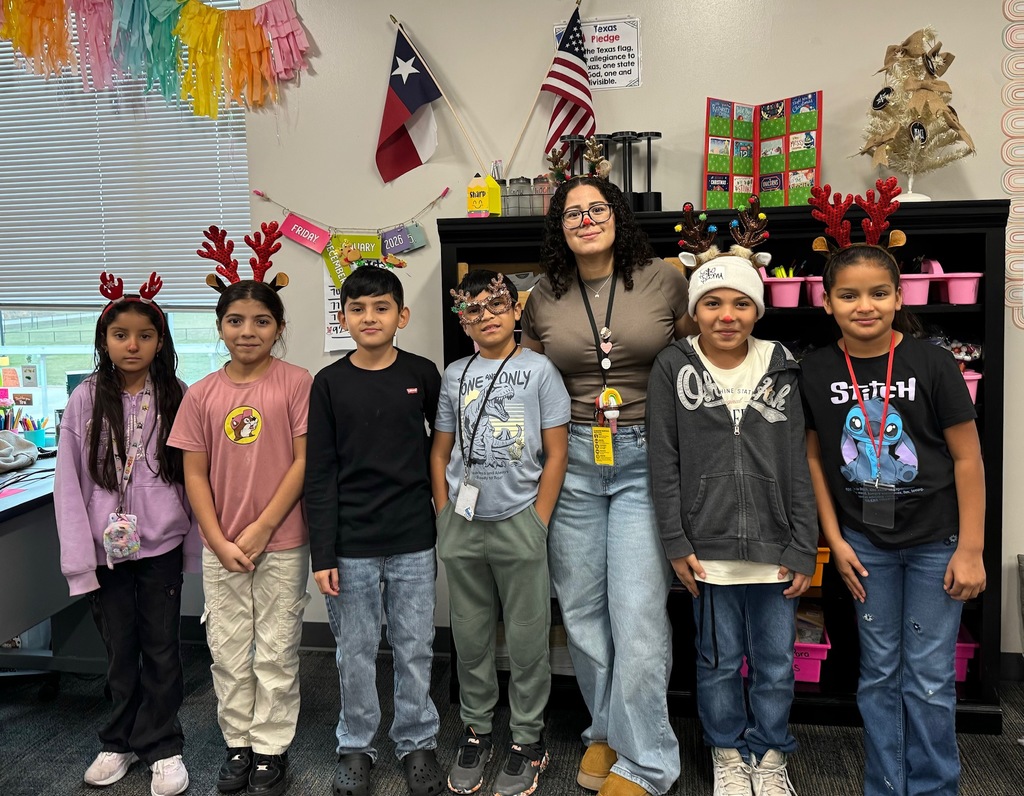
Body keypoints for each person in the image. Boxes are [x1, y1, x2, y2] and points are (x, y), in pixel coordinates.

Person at [520, 176, 689, 796]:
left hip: (647, 457)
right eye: (572, 213)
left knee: (639, 611)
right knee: (584, 612)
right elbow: (529, 382)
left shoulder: (664, 278)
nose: (586, 219)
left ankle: (648, 761)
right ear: (559, 228)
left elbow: (699, 362)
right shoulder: (541, 296)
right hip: (574, 462)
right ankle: (606, 733)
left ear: (617, 215)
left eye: (597, 208)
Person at [801, 244, 986, 796]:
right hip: (866, 544)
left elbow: (967, 457)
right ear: (827, 302)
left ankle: (933, 788)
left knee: (929, 679)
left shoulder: (930, 361)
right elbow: (813, 456)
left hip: (936, 543)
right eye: (849, 294)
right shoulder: (817, 368)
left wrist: (971, 548)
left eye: (879, 293)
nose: (865, 306)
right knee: (878, 674)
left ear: (899, 297)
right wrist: (834, 539)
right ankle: (885, 786)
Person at [647, 253, 817, 796]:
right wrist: (675, 541)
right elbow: (663, 460)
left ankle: (767, 753)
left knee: (774, 663)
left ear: (757, 310)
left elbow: (798, 461)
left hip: (775, 549)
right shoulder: (674, 366)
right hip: (707, 551)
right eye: (712, 303)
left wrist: (802, 546)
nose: (727, 315)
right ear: (695, 311)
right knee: (717, 663)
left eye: (741, 303)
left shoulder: (782, 363)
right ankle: (725, 750)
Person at [169, 242, 312, 796]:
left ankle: (271, 749)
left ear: (278, 327)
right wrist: (217, 535)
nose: (246, 331)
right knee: (228, 647)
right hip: (221, 542)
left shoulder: (296, 382)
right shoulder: (202, 394)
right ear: (219, 327)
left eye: (260, 320)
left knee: (277, 646)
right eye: (234, 320)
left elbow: (304, 461)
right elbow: (195, 474)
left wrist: (262, 527)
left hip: (282, 540)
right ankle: (238, 743)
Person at [54, 272, 199, 796]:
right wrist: (78, 557)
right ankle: (118, 742)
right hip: (105, 551)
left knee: (162, 647)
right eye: (120, 334)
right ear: (104, 340)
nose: (132, 344)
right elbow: (67, 484)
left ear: (160, 341)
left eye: (144, 334)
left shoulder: (177, 395)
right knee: (120, 649)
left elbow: (193, 477)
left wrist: (196, 549)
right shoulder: (86, 399)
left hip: (159, 546)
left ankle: (163, 745)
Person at [304, 265, 445, 796]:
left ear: (401, 315)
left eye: (381, 307)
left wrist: (443, 512)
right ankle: (357, 743)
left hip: (412, 536)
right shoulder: (329, 384)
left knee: (414, 645)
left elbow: (441, 447)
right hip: (350, 544)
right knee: (355, 650)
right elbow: (318, 473)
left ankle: (416, 741)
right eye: (358, 309)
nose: (370, 317)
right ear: (343, 318)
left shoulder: (423, 373)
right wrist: (324, 554)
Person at [431, 271, 570, 796]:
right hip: (463, 525)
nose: (485, 316)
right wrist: (445, 512)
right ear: (461, 319)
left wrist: (539, 519)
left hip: (520, 522)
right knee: (469, 635)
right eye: (472, 309)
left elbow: (556, 452)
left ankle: (527, 737)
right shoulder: (454, 374)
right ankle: (476, 728)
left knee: (529, 636)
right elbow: (441, 451)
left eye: (495, 306)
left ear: (516, 311)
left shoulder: (540, 371)